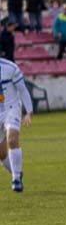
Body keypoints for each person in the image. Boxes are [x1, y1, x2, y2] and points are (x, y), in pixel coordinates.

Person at [0, 56, 33, 192]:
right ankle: (16, 170)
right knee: (1, 154)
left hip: (11, 109)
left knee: (12, 139)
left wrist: (29, 111)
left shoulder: (10, 67)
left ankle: (16, 178)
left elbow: (23, 90)